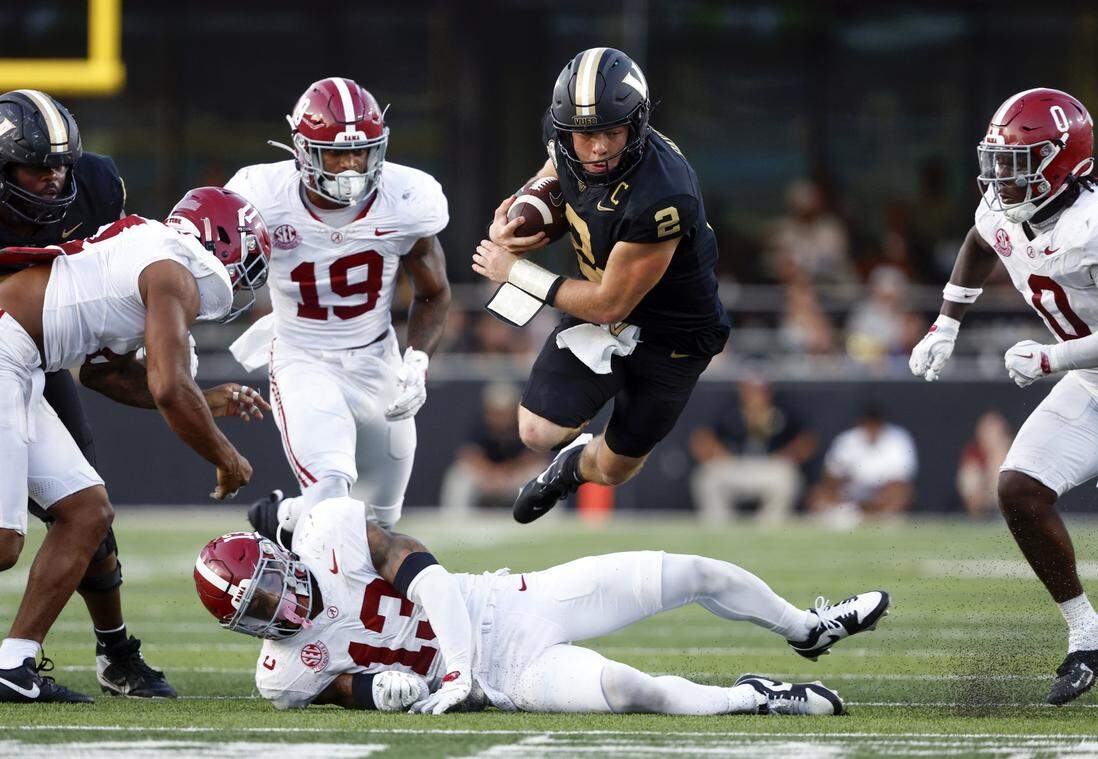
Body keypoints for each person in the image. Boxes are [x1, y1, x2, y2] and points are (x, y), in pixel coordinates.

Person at [194, 496, 891, 715]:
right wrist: (381, 691)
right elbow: (342, 687)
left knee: (689, 570)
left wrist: (457, 667)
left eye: (270, 581)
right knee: (629, 689)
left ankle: (808, 626)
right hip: (506, 675)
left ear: (281, 555)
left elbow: (430, 580)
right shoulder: (280, 672)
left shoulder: (330, 534)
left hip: (504, 605)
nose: (279, 602)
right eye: (258, 607)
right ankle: (757, 698)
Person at [0, 187, 272, 702]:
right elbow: (169, 387)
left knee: (87, 513)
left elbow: (103, 375)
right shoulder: (173, 270)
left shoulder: (152, 257)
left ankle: (13, 664)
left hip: (22, 362)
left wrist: (205, 400)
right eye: (248, 263)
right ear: (222, 240)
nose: (243, 281)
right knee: (3, 542)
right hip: (6, 351)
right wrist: (226, 457)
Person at [908, 88, 1098, 705]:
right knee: (1019, 488)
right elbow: (982, 242)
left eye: (1017, 161)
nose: (1000, 177)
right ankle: (1088, 632)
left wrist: (1053, 356)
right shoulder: (1008, 206)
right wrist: (946, 322)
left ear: (1064, 160)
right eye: (997, 159)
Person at [471, 48, 732, 524]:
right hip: (604, 309)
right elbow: (554, 169)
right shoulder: (565, 137)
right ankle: (565, 440)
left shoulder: (663, 193)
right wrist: (522, 211)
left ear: (637, 124)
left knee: (614, 470)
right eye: (585, 134)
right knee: (534, 430)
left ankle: (567, 471)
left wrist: (515, 271)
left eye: (612, 132)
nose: (596, 148)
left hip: (673, 333)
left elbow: (612, 302)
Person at [0, 89, 175, 697]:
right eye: (35, 166)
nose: (53, 179)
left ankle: (111, 653)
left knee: (86, 511)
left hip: (37, 357)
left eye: (60, 164)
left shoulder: (95, 187)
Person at [227, 77, 451, 546]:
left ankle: (286, 517)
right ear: (304, 151)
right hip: (302, 356)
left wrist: (417, 360)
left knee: (381, 522)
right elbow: (212, 267)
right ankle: (320, 607)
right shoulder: (261, 196)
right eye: (336, 153)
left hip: (376, 358)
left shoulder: (407, 199)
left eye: (361, 152)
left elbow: (433, 292)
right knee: (331, 493)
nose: (351, 164)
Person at [689, 376, 817, 525]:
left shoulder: (781, 413)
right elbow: (701, 437)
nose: (755, 395)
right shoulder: (729, 412)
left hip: (769, 466)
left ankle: (770, 526)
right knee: (707, 477)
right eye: (750, 390)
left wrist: (787, 454)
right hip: (735, 464)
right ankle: (718, 526)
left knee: (788, 476)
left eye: (759, 391)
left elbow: (808, 440)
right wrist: (718, 452)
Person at [439, 383, 545, 518]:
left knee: (541, 476)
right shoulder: (479, 424)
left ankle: (545, 526)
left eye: (505, 412)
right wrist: (491, 473)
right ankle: (455, 523)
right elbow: (468, 455)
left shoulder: (526, 425)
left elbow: (534, 457)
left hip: (514, 477)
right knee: (459, 477)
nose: (500, 418)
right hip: (486, 477)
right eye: (496, 412)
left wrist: (506, 472)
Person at [807, 406, 917, 526]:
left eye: (876, 426)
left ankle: (878, 518)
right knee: (819, 494)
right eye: (869, 426)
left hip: (881, 492)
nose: (872, 431)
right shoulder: (847, 440)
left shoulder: (898, 438)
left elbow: (900, 479)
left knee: (899, 494)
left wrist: (875, 495)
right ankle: (849, 515)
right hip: (851, 490)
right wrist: (844, 482)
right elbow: (831, 475)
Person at [956, 410, 1012, 518]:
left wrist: (997, 457)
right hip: (983, 506)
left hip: (1010, 509)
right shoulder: (974, 453)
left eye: (994, 431)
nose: (990, 436)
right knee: (971, 475)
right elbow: (970, 492)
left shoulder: (1014, 452)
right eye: (986, 431)